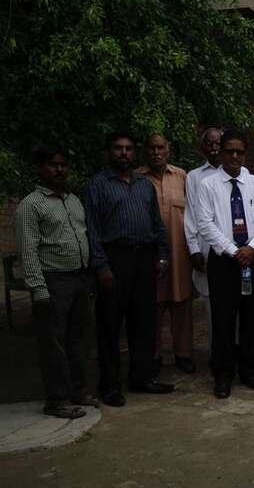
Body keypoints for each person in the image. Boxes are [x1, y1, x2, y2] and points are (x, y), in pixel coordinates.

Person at [84, 132, 174, 407]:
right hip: (114, 259)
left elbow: (157, 224)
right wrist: (101, 266)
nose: (124, 153)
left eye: (128, 148)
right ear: (108, 151)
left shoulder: (144, 184)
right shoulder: (97, 185)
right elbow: (92, 230)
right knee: (110, 325)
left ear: (135, 152)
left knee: (144, 322)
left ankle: (141, 377)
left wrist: (162, 256)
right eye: (118, 148)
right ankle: (109, 385)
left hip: (144, 259)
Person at [14, 146, 96, 418]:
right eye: (53, 165)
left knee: (78, 339)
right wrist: (39, 289)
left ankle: (78, 391)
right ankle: (57, 400)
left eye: (63, 165)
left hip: (79, 277)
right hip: (53, 280)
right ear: (40, 168)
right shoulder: (31, 205)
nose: (59, 170)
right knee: (54, 342)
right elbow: (28, 251)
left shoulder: (73, 200)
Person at [196, 131, 254, 399]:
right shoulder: (208, 185)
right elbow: (205, 223)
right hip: (223, 261)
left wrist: (252, 246)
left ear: (245, 154)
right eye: (230, 151)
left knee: (252, 316)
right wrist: (232, 250)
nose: (235, 156)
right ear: (221, 153)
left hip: (253, 256)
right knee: (223, 318)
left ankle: (249, 369)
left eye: (239, 151)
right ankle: (223, 373)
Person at [136, 135, 195, 375]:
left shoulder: (182, 177)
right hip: (149, 255)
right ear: (145, 151)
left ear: (168, 151)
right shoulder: (136, 178)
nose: (156, 152)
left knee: (182, 305)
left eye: (160, 147)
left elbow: (193, 214)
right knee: (152, 306)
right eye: (151, 147)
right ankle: (154, 355)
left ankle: (183, 354)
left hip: (181, 254)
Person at [184, 127, 224, 350]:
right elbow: (191, 213)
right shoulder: (194, 177)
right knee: (211, 303)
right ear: (203, 148)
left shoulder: (242, 173)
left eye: (218, 143)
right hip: (207, 249)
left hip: (234, 250)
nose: (215, 147)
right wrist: (194, 249)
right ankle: (216, 353)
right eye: (210, 144)